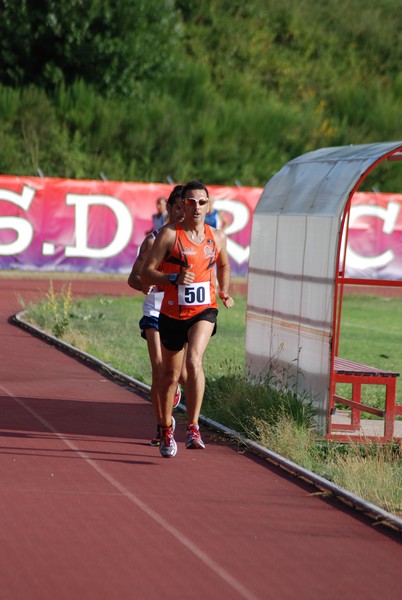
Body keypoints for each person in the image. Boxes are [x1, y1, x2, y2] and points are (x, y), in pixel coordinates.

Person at [141, 180, 234, 458]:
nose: (195, 207)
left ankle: (193, 426)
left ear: (208, 206)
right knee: (169, 376)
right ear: (182, 205)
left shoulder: (217, 237)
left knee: (194, 360)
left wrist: (224, 288)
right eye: (190, 202)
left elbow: (224, 264)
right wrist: (172, 278)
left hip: (204, 309)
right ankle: (166, 427)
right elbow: (146, 273)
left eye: (201, 202)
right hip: (170, 312)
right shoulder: (169, 235)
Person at [128, 185, 186, 446]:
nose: (182, 215)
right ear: (169, 209)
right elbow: (132, 278)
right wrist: (144, 284)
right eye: (178, 209)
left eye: (186, 209)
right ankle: (163, 428)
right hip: (155, 311)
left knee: (180, 375)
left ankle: (173, 392)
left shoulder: (193, 243)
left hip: (183, 313)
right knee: (159, 370)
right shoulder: (152, 241)